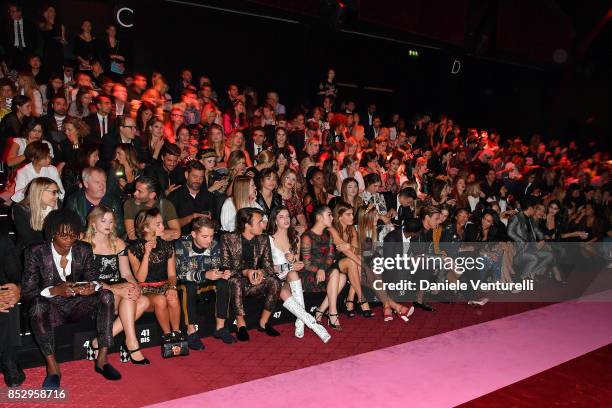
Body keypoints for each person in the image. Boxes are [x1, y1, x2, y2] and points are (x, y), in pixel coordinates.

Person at [21, 209, 121, 388]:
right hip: (51, 308)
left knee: (106, 295)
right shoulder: (36, 252)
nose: (69, 240)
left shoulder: (83, 248)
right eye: (63, 235)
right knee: (37, 306)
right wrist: (55, 290)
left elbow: (94, 278)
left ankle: (103, 359)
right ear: (52, 233)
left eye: (73, 235)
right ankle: (53, 368)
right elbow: (28, 293)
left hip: (77, 305)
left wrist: (92, 287)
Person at [83, 206, 151, 364]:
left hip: (117, 289)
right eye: (103, 220)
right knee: (127, 294)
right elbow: (86, 279)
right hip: (95, 291)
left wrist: (135, 287)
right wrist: (117, 290)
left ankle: (99, 342)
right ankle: (131, 345)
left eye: (111, 221)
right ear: (93, 223)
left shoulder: (118, 243)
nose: (108, 224)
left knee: (143, 300)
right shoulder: (84, 244)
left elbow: (127, 274)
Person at [267, 206, 331, 342]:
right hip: (273, 278)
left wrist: (294, 261)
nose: (286, 220)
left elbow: (297, 263)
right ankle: (312, 324)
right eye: (281, 217)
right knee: (283, 284)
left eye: (288, 216)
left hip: (290, 276)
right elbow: (268, 267)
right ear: (275, 220)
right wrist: (289, 264)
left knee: (293, 274)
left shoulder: (295, 237)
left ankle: (300, 322)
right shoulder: (268, 239)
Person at [220, 208, 282, 341]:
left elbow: (269, 267)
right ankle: (241, 325)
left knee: (275, 281)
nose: (263, 224)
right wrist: (246, 272)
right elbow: (225, 268)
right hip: (238, 282)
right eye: (259, 222)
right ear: (247, 225)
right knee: (235, 281)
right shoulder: (228, 239)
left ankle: (264, 322)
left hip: (256, 280)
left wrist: (261, 273)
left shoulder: (263, 239)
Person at [174, 217, 236, 349]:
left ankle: (220, 328)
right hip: (187, 281)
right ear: (194, 234)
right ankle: (191, 332)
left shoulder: (214, 244)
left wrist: (223, 272)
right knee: (188, 287)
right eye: (205, 236)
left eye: (211, 236)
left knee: (223, 283)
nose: (209, 240)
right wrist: (204, 274)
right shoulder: (181, 244)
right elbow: (181, 274)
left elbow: (216, 265)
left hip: (207, 279)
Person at [128, 208, 182, 343]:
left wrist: (172, 287)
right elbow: (140, 278)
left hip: (164, 285)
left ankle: (177, 333)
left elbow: (172, 274)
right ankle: (167, 334)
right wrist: (146, 254)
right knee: (160, 300)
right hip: (145, 290)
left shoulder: (167, 246)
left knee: (172, 296)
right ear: (145, 227)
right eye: (158, 224)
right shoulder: (134, 248)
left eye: (162, 223)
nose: (163, 227)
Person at [300, 205, 347, 330]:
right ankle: (332, 313)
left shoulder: (328, 234)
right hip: (309, 275)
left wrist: (322, 269)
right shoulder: (307, 236)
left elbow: (330, 257)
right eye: (329, 215)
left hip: (324, 272)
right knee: (337, 273)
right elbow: (307, 264)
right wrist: (319, 269)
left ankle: (321, 310)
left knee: (342, 277)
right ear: (319, 217)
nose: (332, 217)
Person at [64, 167, 124, 237]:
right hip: (83, 242)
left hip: (107, 241)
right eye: (97, 182)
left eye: (104, 182)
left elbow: (119, 229)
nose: (102, 186)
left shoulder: (113, 200)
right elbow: (69, 228)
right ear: (86, 184)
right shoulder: (74, 201)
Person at [0, 232, 25, 387]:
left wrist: (17, 290)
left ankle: (9, 360)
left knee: (8, 294)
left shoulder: (1, 240)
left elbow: (18, 275)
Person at [123, 176, 181, 241]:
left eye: (140, 191)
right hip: (140, 246)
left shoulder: (165, 204)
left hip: (163, 246)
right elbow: (131, 235)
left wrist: (150, 233)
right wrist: (160, 234)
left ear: (152, 195)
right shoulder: (130, 204)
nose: (135, 193)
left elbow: (177, 233)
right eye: (135, 189)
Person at [12, 177, 59, 251]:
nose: (57, 196)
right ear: (39, 192)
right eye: (53, 192)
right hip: (31, 253)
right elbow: (30, 240)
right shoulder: (21, 210)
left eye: (57, 192)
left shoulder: (57, 205)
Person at [168, 161, 213, 235]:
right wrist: (192, 217)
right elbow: (169, 225)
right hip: (181, 239)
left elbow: (215, 222)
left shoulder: (208, 196)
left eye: (201, 177)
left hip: (203, 238)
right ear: (186, 175)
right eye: (195, 177)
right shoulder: (175, 196)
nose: (198, 181)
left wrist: (210, 221)